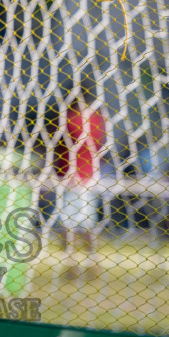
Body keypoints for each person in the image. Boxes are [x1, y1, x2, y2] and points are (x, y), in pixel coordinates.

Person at [51, 92, 107, 280]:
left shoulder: (70, 119)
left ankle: (72, 265)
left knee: (68, 225)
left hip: (71, 177)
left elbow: (59, 146)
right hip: (89, 176)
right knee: (87, 224)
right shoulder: (97, 120)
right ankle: (93, 263)